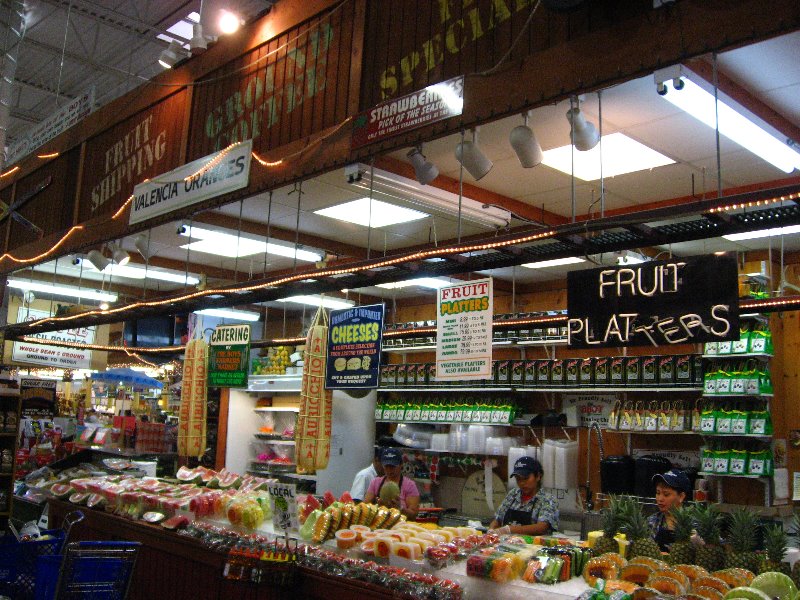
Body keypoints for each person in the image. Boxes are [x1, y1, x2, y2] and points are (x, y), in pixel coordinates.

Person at [489, 456, 559, 536]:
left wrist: (510, 529)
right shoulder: (513, 494)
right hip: (508, 544)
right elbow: (498, 519)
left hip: (533, 546)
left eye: (526, 478)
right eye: (518, 479)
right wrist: (491, 530)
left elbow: (542, 527)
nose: (522, 483)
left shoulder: (547, 499)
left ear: (538, 476)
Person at [362, 447, 420, 520]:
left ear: (401, 464)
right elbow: (365, 508)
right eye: (386, 466)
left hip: (401, 527)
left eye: (392, 466)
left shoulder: (410, 485)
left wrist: (400, 508)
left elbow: (413, 515)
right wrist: (377, 506)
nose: (389, 470)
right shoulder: (375, 482)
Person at [648, 469, 691, 551]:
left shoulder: (695, 525)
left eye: (666, 494)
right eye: (658, 493)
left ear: (681, 496)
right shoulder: (652, 522)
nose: (660, 499)